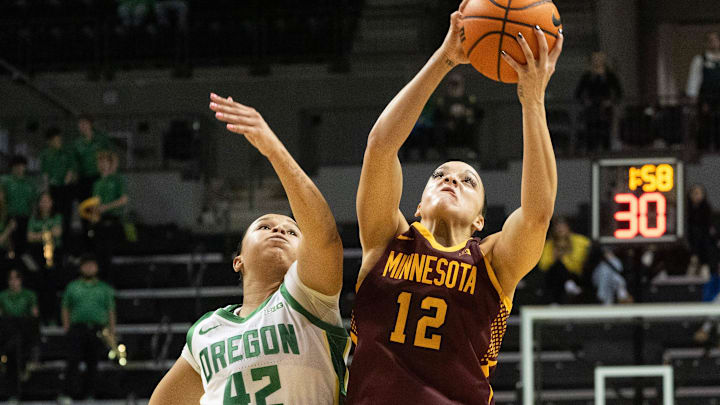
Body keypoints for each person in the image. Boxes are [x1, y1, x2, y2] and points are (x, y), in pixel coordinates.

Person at [346, 0, 563, 402]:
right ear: (418, 205)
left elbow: (537, 214)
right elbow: (380, 147)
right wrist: (445, 59)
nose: (451, 179)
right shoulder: (384, 240)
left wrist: (532, 101)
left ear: (481, 221)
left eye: (468, 180)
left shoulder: (494, 263)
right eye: (439, 175)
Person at [148, 94, 349, 405]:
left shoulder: (309, 298)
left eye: (292, 231)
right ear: (238, 260)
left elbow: (324, 237)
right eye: (264, 226)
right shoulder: (207, 330)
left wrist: (272, 149)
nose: (280, 229)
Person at [61, 254, 116, 400]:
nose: (89, 268)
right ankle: (68, 393)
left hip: (97, 330)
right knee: (73, 361)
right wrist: (67, 327)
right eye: (86, 265)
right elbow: (65, 307)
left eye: (92, 265)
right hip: (78, 329)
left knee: (93, 363)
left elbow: (111, 310)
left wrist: (112, 331)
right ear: (81, 268)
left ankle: (89, 394)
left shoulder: (104, 288)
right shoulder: (73, 287)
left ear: (97, 268)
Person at [0, 269, 40, 402]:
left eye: (16, 279)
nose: (13, 282)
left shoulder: (29, 295)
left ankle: (18, 389)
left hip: (25, 333)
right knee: (12, 349)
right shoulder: (2, 296)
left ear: (21, 280)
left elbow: (34, 315)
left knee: (16, 349)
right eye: (11, 279)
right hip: (6, 333)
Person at [90, 150, 128, 280]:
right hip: (99, 222)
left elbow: (123, 199)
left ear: (110, 164)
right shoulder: (97, 183)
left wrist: (106, 207)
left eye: (105, 162)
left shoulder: (117, 179)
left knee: (109, 255)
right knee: (99, 254)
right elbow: (95, 203)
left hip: (113, 220)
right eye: (100, 162)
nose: (102, 164)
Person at [27, 192, 64, 324]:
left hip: (53, 253)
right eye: (42, 201)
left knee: (52, 285)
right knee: (40, 285)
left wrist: (40, 235)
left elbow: (58, 232)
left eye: (47, 201)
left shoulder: (57, 217)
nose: (45, 204)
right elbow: (30, 237)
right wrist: (47, 234)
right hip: (38, 254)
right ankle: (42, 317)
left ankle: (53, 316)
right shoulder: (34, 218)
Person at [574, 51, 623, 152]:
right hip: (591, 109)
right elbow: (578, 93)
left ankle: (607, 156)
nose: (597, 61)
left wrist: (610, 101)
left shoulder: (609, 75)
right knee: (591, 134)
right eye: (595, 59)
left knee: (605, 134)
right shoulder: (587, 76)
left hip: (605, 109)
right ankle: (591, 154)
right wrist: (586, 102)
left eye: (599, 59)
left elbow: (619, 92)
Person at [538, 216, 591, 304]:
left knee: (561, 267)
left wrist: (566, 257)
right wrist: (555, 257)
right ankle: (559, 295)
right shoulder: (549, 245)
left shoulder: (580, 240)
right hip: (555, 277)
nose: (560, 229)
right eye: (557, 227)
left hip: (575, 274)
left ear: (568, 227)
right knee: (558, 267)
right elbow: (543, 266)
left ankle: (568, 285)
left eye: (563, 226)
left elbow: (589, 251)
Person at [434, 72, 483, 159]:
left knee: (473, 126)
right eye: (452, 84)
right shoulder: (443, 101)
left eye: (457, 84)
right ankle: (441, 153)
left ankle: (473, 152)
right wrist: (448, 121)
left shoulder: (469, 100)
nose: (454, 87)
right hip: (448, 129)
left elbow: (479, 113)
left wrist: (467, 113)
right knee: (439, 128)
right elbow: (437, 116)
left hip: (464, 127)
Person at [39, 127, 76, 237]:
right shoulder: (45, 154)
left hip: (66, 188)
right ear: (49, 141)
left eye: (58, 139)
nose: (57, 141)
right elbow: (45, 174)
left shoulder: (67, 152)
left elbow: (71, 169)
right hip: (53, 188)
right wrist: (47, 191)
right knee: (54, 215)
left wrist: (66, 183)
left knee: (66, 215)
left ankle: (66, 242)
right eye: (54, 140)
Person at [686, 32, 720, 151]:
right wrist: (693, 95)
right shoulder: (700, 59)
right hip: (706, 97)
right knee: (706, 123)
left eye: (715, 40)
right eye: (710, 41)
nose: (713, 43)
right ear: (706, 43)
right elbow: (694, 78)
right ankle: (703, 148)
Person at [2, 156, 37, 257]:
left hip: (26, 218)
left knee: (25, 246)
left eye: (22, 166)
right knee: (10, 246)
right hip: (10, 218)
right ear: (12, 167)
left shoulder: (30, 183)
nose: (19, 168)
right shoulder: (5, 181)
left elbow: (33, 202)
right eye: (16, 166)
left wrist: (33, 219)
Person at [73, 116, 113, 202]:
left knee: (99, 201)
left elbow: (110, 155)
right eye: (80, 124)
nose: (82, 126)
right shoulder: (77, 143)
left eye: (84, 123)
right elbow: (75, 161)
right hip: (83, 177)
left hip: (98, 175)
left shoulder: (100, 139)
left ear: (90, 124)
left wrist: (109, 172)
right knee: (84, 203)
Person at [686, 184, 719, 280]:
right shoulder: (686, 212)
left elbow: (709, 235)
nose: (698, 196)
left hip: (706, 254)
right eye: (695, 193)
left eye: (700, 193)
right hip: (690, 253)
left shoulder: (707, 211)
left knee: (706, 274)